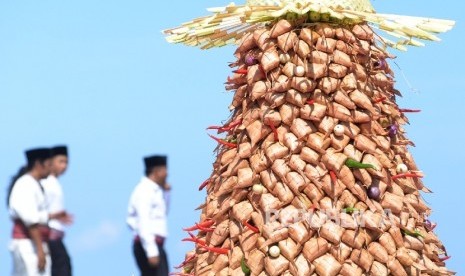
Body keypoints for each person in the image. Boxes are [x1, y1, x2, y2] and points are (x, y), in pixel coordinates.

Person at [7, 148, 69, 276]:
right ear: (38, 164)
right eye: (48, 165)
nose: (50, 169)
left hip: (35, 242)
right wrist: (40, 251)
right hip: (28, 244)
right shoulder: (26, 185)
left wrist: (54, 216)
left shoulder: (36, 184)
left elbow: (37, 216)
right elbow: (31, 221)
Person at [127, 155, 170, 276]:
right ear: (156, 172)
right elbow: (143, 221)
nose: (167, 174)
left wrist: (166, 192)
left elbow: (164, 212)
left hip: (154, 245)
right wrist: (151, 251)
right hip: (147, 245)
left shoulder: (156, 190)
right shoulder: (144, 191)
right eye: (164, 171)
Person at [42, 145, 73, 276]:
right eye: (60, 161)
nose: (64, 166)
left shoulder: (55, 182)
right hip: (50, 235)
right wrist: (55, 216)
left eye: (66, 162)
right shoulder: (46, 183)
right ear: (51, 162)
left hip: (57, 234)